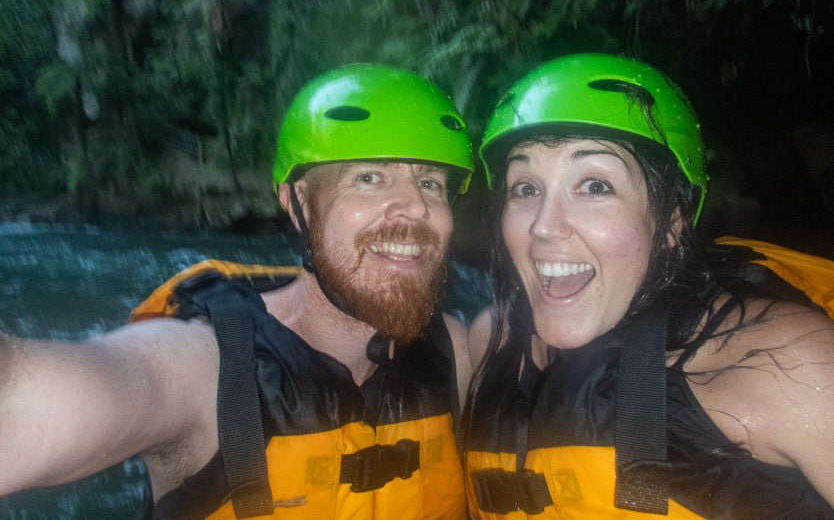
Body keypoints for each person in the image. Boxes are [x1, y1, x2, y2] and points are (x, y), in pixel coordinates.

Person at [0, 63, 475, 519]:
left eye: (431, 183)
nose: (415, 208)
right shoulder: (204, 367)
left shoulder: (455, 352)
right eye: (369, 178)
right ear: (298, 204)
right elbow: (27, 405)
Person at [463, 53, 834, 518]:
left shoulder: (786, 364)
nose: (544, 226)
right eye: (526, 188)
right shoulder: (491, 343)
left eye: (595, 186)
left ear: (672, 221)